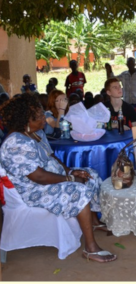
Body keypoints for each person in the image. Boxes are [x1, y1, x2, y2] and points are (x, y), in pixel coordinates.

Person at [0, 94, 117, 263]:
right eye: (40, 116)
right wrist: (70, 179)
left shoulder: (36, 133)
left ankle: (94, 221)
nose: (44, 119)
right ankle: (90, 248)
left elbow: (52, 156)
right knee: (79, 190)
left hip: (52, 178)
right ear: (26, 120)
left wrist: (71, 171)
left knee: (91, 173)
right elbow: (38, 176)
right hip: (33, 190)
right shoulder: (16, 143)